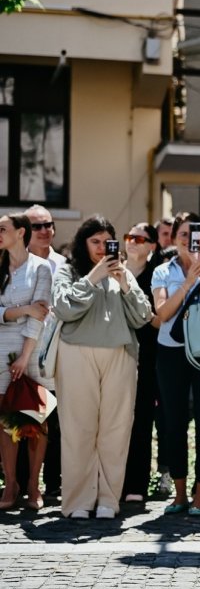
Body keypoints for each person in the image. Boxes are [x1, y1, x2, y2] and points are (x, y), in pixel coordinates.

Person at [53, 216, 152, 519]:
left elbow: (143, 316)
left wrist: (124, 283)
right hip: (75, 354)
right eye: (94, 241)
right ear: (83, 243)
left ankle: (109, 500)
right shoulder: (68, 271)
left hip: (119, 355)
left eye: (106, 241)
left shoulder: (122, 274)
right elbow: (63, 307)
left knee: (116, 430)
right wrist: (93, 277)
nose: (100, 248)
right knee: (77, 430)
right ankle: (78, 501)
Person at [151, 213, 200, 516]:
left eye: (194, 235)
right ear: (173, 238)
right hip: (172, 352)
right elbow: (162, 314)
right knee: (173, 423)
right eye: (183, 235)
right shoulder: (162, 271)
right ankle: (180, 493)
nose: (188, 240)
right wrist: (186, 281)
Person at [0, 214, 51, 509]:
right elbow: (21, 311)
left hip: (31, 352)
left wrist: (24, 356)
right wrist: (22, 309)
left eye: (2, 229)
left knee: (36, 419)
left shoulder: (41, 268)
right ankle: (10, 484)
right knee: (5, 421)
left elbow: (41, 315)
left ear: (21, 232)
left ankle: (34, 483)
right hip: (0, 353)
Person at [23, 205, 64, 500]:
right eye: (38, 226)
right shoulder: (13, 264)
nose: (45, 230)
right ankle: (25, 483)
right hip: (23, 351)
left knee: (57, 421)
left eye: (48, 224)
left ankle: (53, 483)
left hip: (58, 352)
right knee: (25, 418)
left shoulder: (64, 264)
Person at [120, 223, 163, 503]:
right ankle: (113, 482)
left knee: (141, 420)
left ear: (152, 246)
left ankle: (136, 484)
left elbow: (159, 320)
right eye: (128, 237)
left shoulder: (155, 276)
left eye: (139, 238)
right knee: (114, 421)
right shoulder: (112, 271)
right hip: (114, 352)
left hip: (147, 356)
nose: (132, 242)